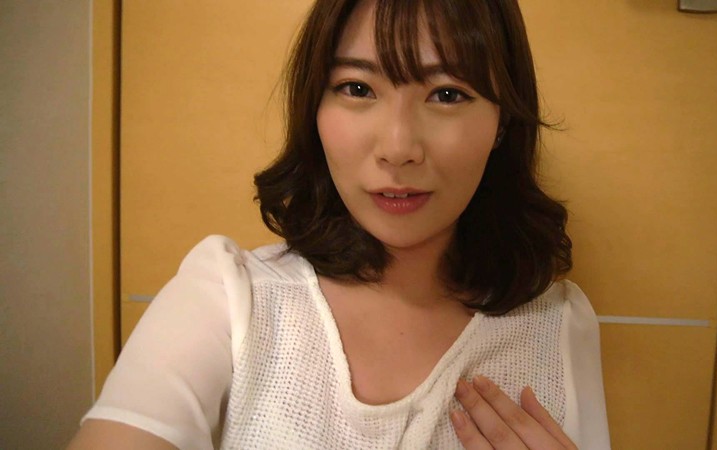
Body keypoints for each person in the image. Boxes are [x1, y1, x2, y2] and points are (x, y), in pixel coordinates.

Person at [69, 0, 610, 448]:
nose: (398, 147)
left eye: (448, 94)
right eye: (357, 88)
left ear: (502, 123)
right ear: (314, 108)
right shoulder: (229, 298)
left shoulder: (558, 328)